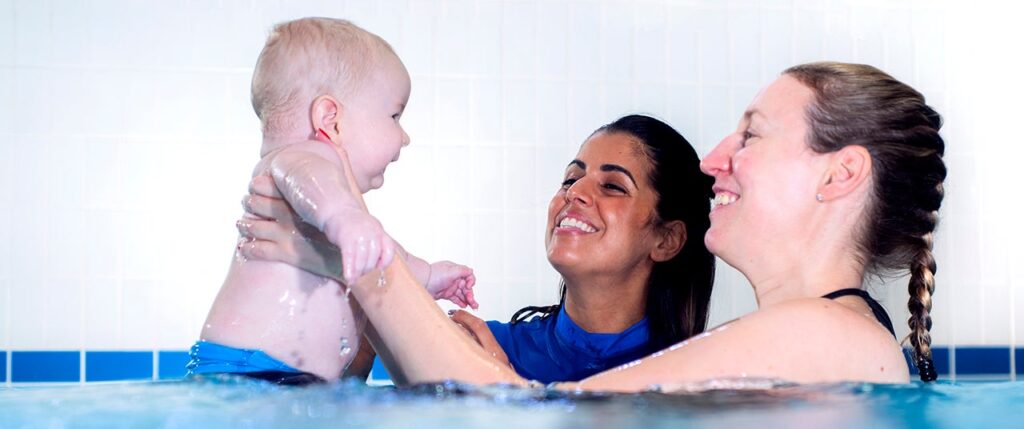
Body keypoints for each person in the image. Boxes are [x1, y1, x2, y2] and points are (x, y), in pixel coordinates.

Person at [245, 61, 946, 389]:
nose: (715, 160)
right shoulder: (821, 338)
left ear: (839, 175)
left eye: (751, 135)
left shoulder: (825, 334)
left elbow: (539, 418)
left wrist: (356, 254)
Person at [238, 115, 717, 383]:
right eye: (570, 178)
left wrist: (501, 390)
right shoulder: (471, 344)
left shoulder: (693, 375)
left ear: (666, 239)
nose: (575, 192)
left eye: (612, 186)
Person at [189, 17, 477, 384]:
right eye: (395, 115)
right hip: (252, 372)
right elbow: (307, 179)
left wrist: (428, 275)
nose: (404, 137)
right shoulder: (303, 158)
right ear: (331, 120)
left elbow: (381, 252)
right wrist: (344, 216)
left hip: (269, 377)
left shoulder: (331, 204)